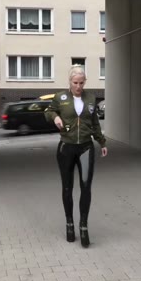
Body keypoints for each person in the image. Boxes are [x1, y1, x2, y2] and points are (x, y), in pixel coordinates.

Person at [44, 65, 108, 248]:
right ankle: (69, 223)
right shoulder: (60, 97)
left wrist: (102, 142)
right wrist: (55, 117)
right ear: (70, 82)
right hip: (66, 148)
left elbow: (94, 123)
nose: (78, 86)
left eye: (81, 83)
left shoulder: (91, 98)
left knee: (86, 187)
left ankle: (83, 226)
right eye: (75, 83)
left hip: (86, 148)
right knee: (67, 187)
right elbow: (48, 111)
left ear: (85, 82)